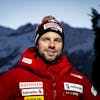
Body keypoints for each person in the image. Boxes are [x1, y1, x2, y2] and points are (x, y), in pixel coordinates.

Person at [0, 16, 97, 100]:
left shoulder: (79, 80)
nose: (52, 45)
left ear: (62, 45)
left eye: (57, 40)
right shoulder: (12, 78)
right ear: (37, 43)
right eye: (46, 39)